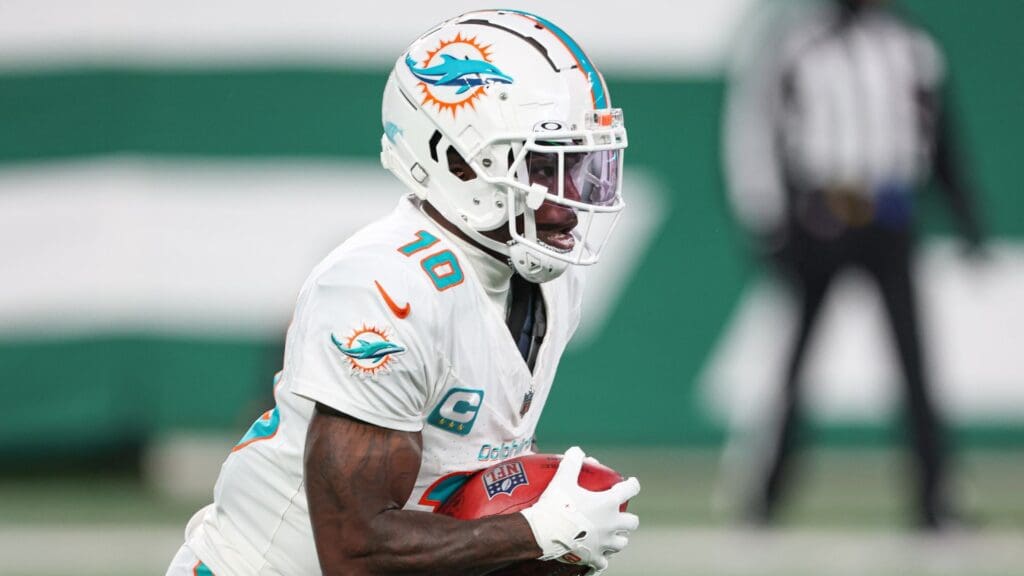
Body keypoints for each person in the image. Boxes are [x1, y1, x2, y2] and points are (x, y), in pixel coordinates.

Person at [165, 9, 640, 576]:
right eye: (542, 167)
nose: (568, 201)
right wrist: (531, 532)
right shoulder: (386, 290)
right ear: (457, 161)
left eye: (581, 165)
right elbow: (354, 552)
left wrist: (533, 533)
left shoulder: (547, 279)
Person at [724, 0, 983, 529]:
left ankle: (935, 499)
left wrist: (965, 215)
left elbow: (940, 138)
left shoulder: (912, 48)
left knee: (915, 364)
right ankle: (765, 494)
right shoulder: (800, 45)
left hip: (890, 219)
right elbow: (763, 132)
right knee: (795, 365)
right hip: (824, 217)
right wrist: (771, 219)